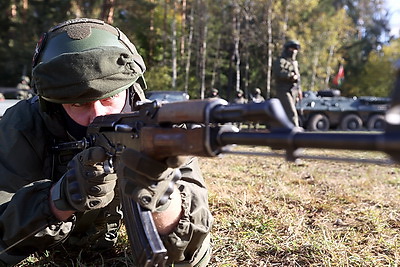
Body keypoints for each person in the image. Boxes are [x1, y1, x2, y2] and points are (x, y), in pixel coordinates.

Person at [0, 18, 212, 266]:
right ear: (54, 105)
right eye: (78, 104)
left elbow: (193, 256)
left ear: (130, 88)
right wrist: (61, 198)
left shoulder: (158, 127)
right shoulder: (22, 126)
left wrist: (162, 194)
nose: (98, 114)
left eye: (110, 97)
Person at [273, 40, 302, 127]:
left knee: (286, 113)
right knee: (291, 113)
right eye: (291, 48)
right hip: (283, 90)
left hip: (293, 91)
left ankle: (283, 132)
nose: (293, 51)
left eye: (295, 49)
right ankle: (296, 133)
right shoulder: (281, 61)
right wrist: (291, 75)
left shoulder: (294, 63)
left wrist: (299, 91)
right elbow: (278, 73)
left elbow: (298, 79)